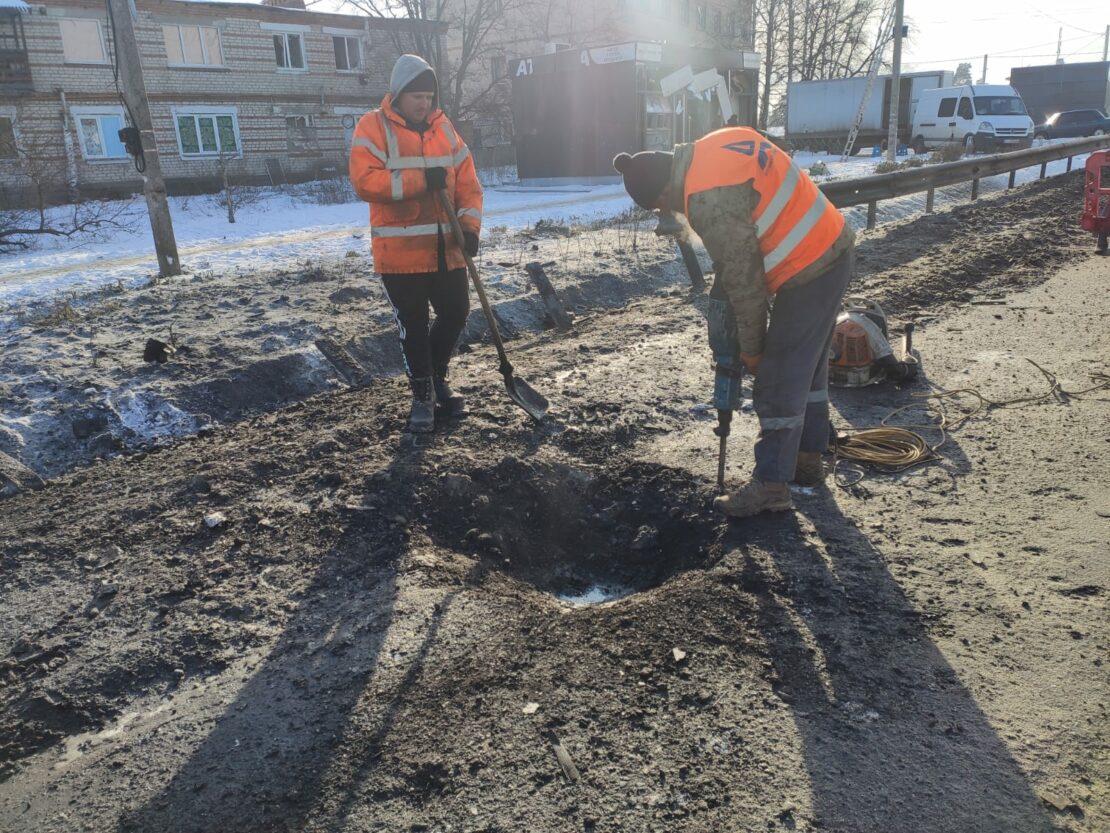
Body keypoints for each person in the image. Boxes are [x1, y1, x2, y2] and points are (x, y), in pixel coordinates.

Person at [612, 126, 855, 517]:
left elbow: (746, 286)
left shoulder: (707, 200)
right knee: (807, 369)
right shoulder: (712, 145)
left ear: (660, 194)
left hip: (807, 265)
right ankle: (807, 461)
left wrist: (754, 352)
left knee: (779, 378)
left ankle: (773, 486)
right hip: (829, 244)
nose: (666, 213)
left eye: (660, 207)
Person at [349, 54, 483, 433]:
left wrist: (469, 228)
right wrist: (423, 180)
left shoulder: (445, 129)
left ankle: (437, 378)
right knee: (414, 326)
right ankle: (422, 395)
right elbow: (365, 181)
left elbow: (469, 185)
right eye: (417, 97)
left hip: (447, 249)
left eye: (429, 97)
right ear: (399, 95)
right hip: (401, 256)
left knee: (456, 312)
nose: (424, 104)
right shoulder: (373, 128)